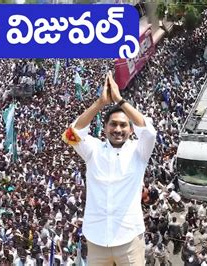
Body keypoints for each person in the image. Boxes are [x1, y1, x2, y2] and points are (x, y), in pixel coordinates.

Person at [63, 71, 157, 265]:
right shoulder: (93, 150)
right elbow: (72, 133)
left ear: (131, 130)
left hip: (129, 238)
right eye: (113, 124)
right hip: (96, 239)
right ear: (104, 127)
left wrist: (120, 100)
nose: (118, 129)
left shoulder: (139, 152)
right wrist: (100, 103)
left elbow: (149, 132)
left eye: (123, 125)